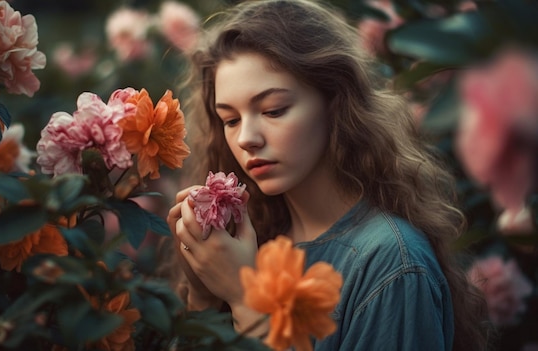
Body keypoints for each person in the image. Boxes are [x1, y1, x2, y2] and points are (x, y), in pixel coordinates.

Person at [166, 0, 491, 349]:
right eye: (230, 120)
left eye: (274, 110)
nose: (246, 138)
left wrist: (245, 298)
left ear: (334, 101)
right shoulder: (254, 242)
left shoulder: (391, 264)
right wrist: (202, 294)